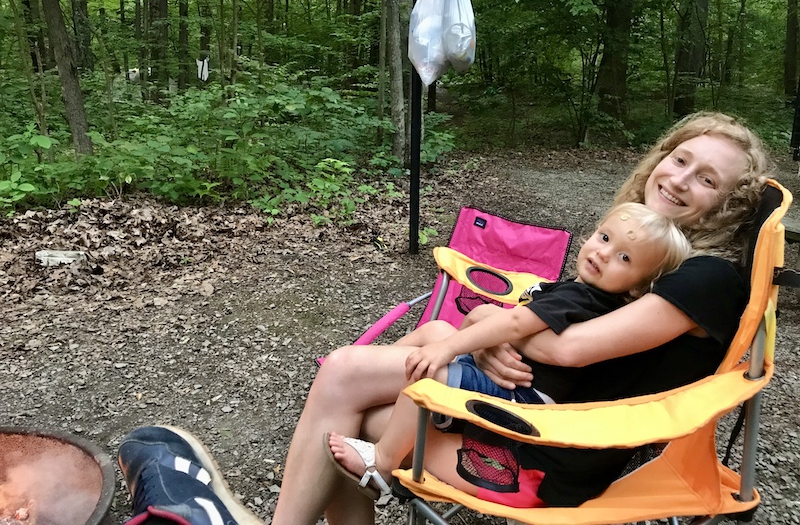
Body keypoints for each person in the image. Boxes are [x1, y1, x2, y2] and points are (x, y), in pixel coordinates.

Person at [270, 112, 770, 525]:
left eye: (707, 179)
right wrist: (483, 332)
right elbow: (554, 334)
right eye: (680, 159)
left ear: (728, 206)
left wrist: (485, 328)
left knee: (342, 382)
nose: (680, 179)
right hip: (532, 411)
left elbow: (565, 348)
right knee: (423, 344)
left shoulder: (707, 278)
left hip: (543, 451)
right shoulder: (654, 260)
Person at [324, 202, 692, 498]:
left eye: (625, 258)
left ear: (638, 288)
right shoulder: (588, 297)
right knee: (435, 328)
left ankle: (384, 466)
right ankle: (371, 376)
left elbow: (515, 324)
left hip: (519, 402)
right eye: (605, 237)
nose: (605, 253)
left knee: (428, 374)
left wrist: (449, 348)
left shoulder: (583, 297)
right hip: (513, 386)